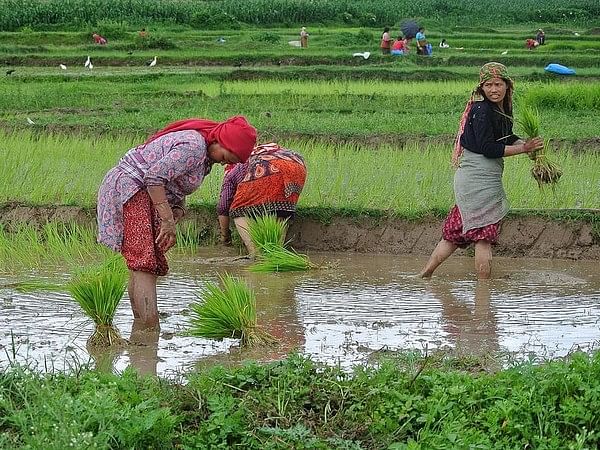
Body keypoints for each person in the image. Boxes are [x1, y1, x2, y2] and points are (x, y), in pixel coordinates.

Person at [97, 116, 257, 329]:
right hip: (133, 190)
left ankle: (142, 328)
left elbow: (174, 181)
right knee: (145, 263)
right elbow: (154, 177)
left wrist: (179, 207)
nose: (225, 163)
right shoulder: (193, 147)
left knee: (142, 263)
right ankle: (149, 330)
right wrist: (167, 220)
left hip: (143, 194)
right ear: (220, 141)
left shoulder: (205, 157)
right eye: (228, 156)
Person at [419, 62, 544, 279]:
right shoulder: (482, 110)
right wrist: (524, 149)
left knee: (454, 234)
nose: (494, 90)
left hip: (478, 179)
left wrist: (527, 146)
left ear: (507, 86)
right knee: (483, 237)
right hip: (477, 178)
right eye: (488, 85)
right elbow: (489, 149)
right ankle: (483, 290)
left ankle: (425, 275)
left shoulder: (503, 108)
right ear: (481, 89)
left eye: (498, 84)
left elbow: (506, 136)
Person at [217, 142, 307, 256]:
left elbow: (223, 207)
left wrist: (225, 236)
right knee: (281, 208)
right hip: (296, 164)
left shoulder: (232, 172)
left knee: (238, 209)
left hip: (266, 166)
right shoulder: (254, 152)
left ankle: (255, 253)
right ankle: (276, 255)